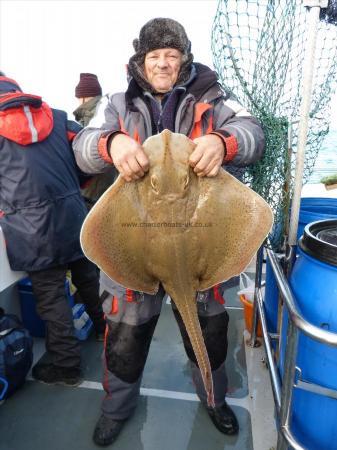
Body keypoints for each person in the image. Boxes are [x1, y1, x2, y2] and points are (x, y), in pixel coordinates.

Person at [73, 18, 265, 447]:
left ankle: (214, 402)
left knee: (211, 337)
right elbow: (83, 150)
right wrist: (111, 145)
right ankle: (115, 409)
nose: (163, 63)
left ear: (183, 60)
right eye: (155, 55)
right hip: (133, 244)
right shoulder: (118, 103)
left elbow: (254, 135)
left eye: (172, 56)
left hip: (203, 245)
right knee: (124, 340)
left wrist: (223, 142)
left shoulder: (213, 98)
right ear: (141, 60)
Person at [0, 74, 106, 387]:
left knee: (51, 297)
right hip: (74, 216)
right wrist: (75, 190)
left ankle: (67, 365)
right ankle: (107, 332)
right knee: (89, 278)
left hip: (30, 229)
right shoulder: (58, 118)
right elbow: (91, 159)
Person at [73, 73, 117, 207]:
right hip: (111, 198)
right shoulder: (110, 114)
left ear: (82, 97)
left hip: (93, 200)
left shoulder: (88, 122)